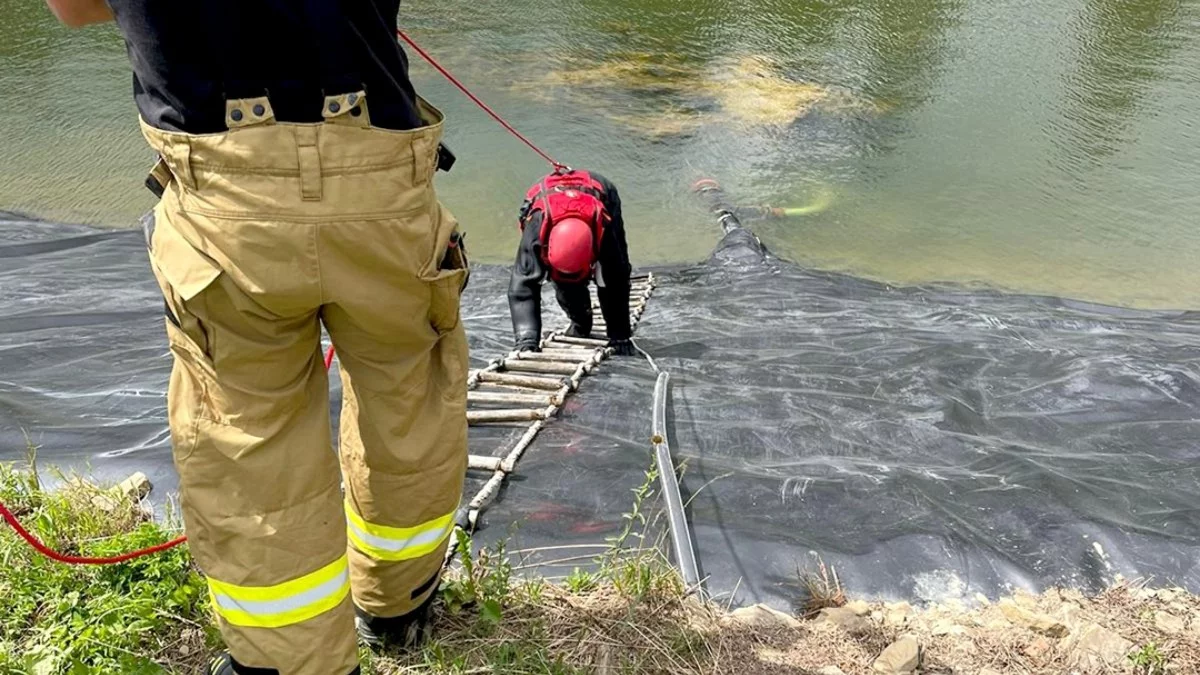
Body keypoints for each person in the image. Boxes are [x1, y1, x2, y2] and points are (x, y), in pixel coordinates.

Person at [44, 2, 469, 674]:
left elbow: (73, 10)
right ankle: (399, 605)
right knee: (409, 400)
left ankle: (295, 660)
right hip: (385, 189)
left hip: (224, 212)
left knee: (248, 437)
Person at [508, 169, 636, 355]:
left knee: (615, 269)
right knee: (566, 289)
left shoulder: (604, 229)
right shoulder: (536, 231)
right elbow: (522, 287)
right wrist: (526, 340)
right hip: (547, 202)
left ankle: (613, 330)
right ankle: (580, 321)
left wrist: (620, 336)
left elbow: (616, 281)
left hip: (601, 193)